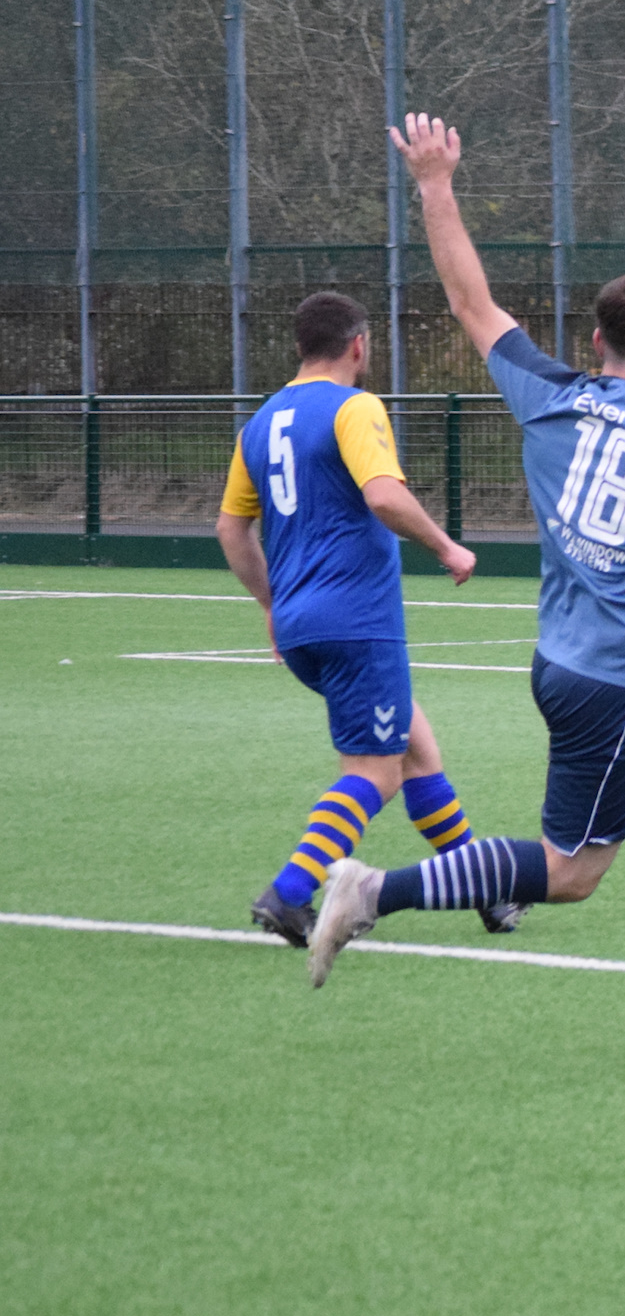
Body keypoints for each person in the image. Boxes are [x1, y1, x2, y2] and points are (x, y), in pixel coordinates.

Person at [307, 112, 625, 1063]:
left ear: (596, 339)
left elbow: (471, 301)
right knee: (568, 875)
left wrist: (436, 182)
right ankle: (369, 891)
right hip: (615, 680)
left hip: (569, 661)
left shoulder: (547, 392)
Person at [217, 291, 524, 945]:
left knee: (416, 749)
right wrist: (446, 545)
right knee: (373, 774)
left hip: (302, 624)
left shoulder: (263, 419)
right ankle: (290, 893)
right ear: (359, 345)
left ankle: (484, 892)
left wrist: (271, 604)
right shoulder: (356, 407)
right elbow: (384, 495)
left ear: (301, 346)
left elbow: (231, 528)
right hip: (357, 621)